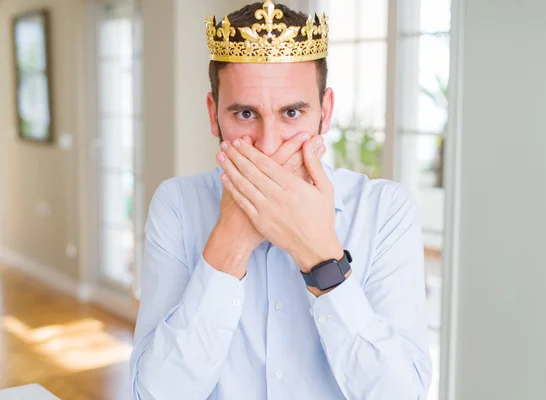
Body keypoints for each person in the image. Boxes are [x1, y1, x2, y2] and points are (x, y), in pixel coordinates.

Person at [129, 1, 432, 399]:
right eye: (244, 114)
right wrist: (231, 242)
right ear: (213, 114)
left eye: (291, 112)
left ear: (325, 112)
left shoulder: (386, 211)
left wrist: (321, 258)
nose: (269, 146)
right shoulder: (177, 206)